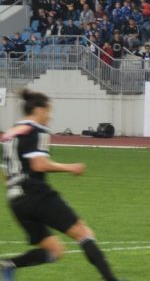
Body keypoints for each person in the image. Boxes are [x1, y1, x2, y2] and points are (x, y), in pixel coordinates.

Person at [0, 90, 121, 281]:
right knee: (84, 233)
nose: (50, 116)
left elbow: (5, 173)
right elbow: (38, 164)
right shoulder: (37, 130)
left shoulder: (9, 134)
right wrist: (70, 167)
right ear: (39, 110)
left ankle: (8, 265)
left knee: (54, 251)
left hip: (15, 200)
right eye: (49, 110)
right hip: (36, 194)